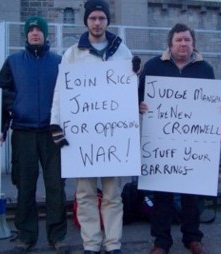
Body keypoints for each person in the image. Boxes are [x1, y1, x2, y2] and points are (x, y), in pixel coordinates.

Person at [50, 1, 140, 253]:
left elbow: (131, 91)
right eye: (93, 18)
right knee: (85, 194)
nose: (97, 22)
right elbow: (61, 90)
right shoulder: (73, 53)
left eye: (101, 18)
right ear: (86, 21)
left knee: (113, 195)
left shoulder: (122, 51)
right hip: (83, 139)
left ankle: (113, 245)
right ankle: (91, 244)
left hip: (114, 136)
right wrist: (55, 122)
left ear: (107, 20)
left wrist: (137, 72)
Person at [138, 23, 214, 254]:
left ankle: (192, 238)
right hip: (161, 140)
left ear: (193, 43)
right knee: (162, 194)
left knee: (191, 193)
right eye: (179, 40)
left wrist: (217, 106)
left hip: (192, 142)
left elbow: (210, 102)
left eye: (187, 40)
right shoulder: (152, 66)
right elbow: (137, 95)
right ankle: (161, 242)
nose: (183, 44)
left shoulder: (205, 69)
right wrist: (139, 104)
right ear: (170, 43)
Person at [0, 16, 69, 254]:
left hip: (52, 134)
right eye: (31, 30)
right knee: (25, 186)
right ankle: (26, 236)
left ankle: (57, 236)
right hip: (23, 133)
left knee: (56, 186)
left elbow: (72, 95)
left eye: (39, 30)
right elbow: (1, 94)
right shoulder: (14, 61)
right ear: (26, 35)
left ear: (46, 35)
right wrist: (3, 125)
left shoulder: (59, 62)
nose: (35, 33)